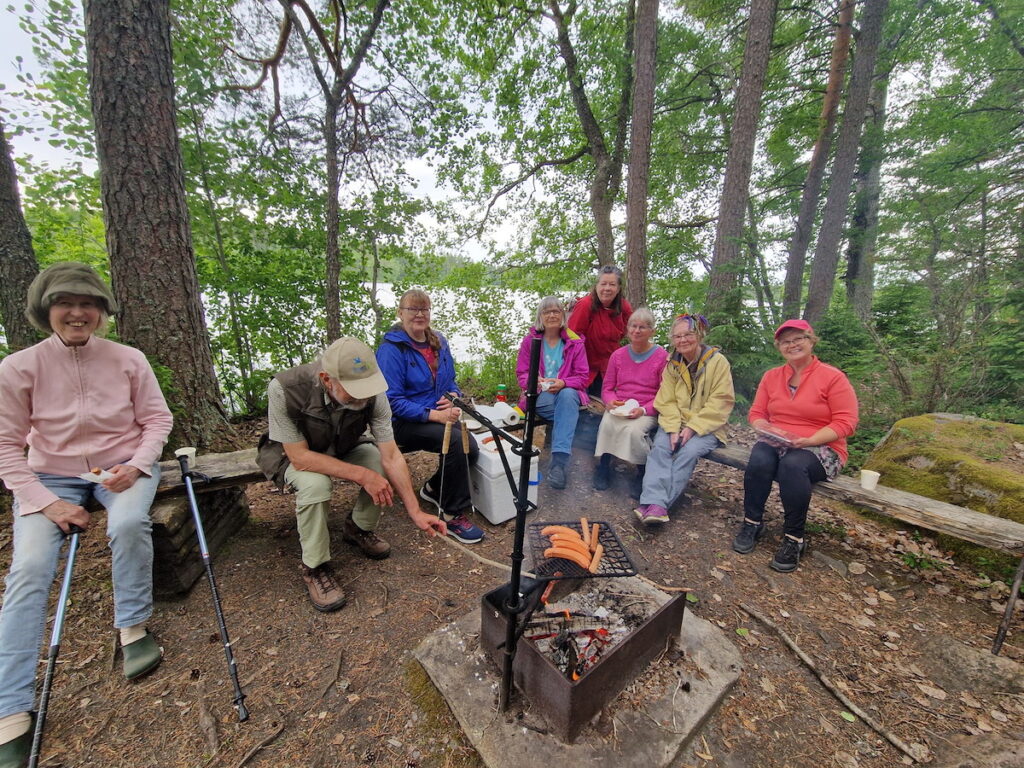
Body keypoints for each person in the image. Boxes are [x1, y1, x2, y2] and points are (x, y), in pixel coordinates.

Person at [0, 262, 174, 764]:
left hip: (121, 467)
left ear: (101, 312)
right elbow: (8, 446)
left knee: (127, 523)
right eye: (65, 303)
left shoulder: (128, 358)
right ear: (46, 311)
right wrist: (47, 502)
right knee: (30, 567)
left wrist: (137, 466)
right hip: (47, 476)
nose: (77, 312)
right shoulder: (19, 367)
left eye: (88, 304)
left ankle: (133, 626)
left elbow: (157, 419)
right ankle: (12, 704)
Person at [258, 336, 447, 611]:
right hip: (293, 454)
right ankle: (315, 567)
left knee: (378, 465)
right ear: (326, 379)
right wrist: (361, 475)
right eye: (353, 390)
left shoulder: (374, 390)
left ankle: (358, 528)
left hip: (343, 445)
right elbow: (299, 457)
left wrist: (415, 511)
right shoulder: (284, 389)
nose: (364, 396)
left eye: (367, 388)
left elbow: (391, 454)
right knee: (316, 486)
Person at [732, 319, 858, 573]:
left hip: (821, 446)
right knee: (759, 458)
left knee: (792, 464)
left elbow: (847, 422)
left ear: (811, 340)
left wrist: (810, 440)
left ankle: (794, 538)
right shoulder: (772, 376)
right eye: (786, 342)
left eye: (798, 339)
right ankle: (752, 522)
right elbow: (756, 412)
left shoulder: (832, 377)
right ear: (779, 347)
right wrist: (762, 427)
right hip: (778, 440)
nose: (792, 345)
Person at [375, 290, 484, 544]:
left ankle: (434, 488)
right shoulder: (391, 350)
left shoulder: (439, 342)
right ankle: (451, 514)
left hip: (437, 415)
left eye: (424, 309)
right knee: (457, 444)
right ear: (400, 313)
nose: (419, 314)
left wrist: (454, 395)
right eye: (413, 309)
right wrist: (435, 415)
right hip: (402, 423)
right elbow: (391, 402)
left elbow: (451, 381)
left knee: (471, 447)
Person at [634, 313, 735, 525]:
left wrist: (693, 428)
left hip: (707, 426)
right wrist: (671, 429)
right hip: (675, 423)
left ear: (699, 335)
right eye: (677, 336)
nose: (682, 340)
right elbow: (666, 400)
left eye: (688, 334)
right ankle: (654, 502)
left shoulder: (718, 362)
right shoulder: (673, 364)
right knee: (660, 448)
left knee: (687, 452)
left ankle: (659, 505)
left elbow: (721, 401)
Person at [592, 308, 668, 498]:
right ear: (627, 329)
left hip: (647, 409)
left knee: (634, 431)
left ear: (652, 331)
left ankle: (641, 473)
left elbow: (665, 394)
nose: (637, 330)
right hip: (621, 406)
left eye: (642, 327)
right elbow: (608, 388)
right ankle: (604, 465)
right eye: (633, 326)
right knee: (608, 423)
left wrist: (643, 410)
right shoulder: (618, 355)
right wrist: (610, 403)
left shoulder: (661, 356)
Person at [516, 297, 589, 489]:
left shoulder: (575, 343)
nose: (552, 315)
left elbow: (583, 377)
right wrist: (535, 381)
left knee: (567, 396)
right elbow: (522, 374)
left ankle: (558, 464)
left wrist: (564, 382)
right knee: (567, 411)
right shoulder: (530, 341)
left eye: (556, 311)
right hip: (539, 395)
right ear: (540, 316)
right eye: (547, 311)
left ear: (563, 315)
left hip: (566, 394)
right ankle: (559, 462)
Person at [568, 265, 633, 396]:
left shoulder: (624, 307)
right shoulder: (585, 305)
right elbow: (571, 338)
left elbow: (633, 332)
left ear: (618, 288)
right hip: (584, 369)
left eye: (612, 284)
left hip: (610, 368)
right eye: (603, 284)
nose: (607, 288)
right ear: (596, 286)